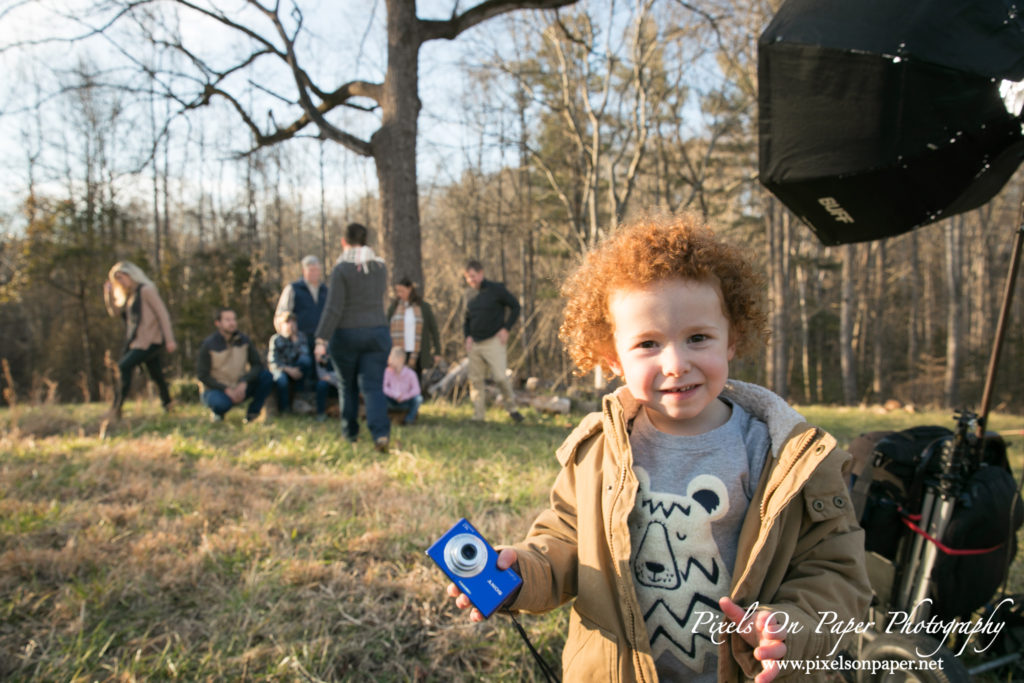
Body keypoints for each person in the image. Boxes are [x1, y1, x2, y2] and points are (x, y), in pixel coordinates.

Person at [446, 214, 871, 682]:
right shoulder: (599, 451)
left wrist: (795, 628)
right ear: (612, 357)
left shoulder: (784, 455)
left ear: (732, 339)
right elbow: (566, 544)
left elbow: (836, 569)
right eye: (648, 343)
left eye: (698, 338)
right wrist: (520, 575)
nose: (675, 363)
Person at [314, 223, 391, 452]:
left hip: (346, 334)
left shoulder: (341, 269)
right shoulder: (380, 267)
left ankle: (350, 435)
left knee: (347, 386)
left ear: (343, 242)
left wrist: (321, 339)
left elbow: (334, 308)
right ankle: (380, 434)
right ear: (366, 241)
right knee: (373, 387)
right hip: (377, 332)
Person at [103, 261, 177, 419]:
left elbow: (162, 314)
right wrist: (108, 294)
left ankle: (117, 407)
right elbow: (114, 312)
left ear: (130, 275)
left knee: (124, 366)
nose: (120, 282)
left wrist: (169, 339)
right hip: (137, 342)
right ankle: (168, 404)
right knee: (156, 374)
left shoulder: (146, 290)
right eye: (117, 280)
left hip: (150, 341)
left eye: (121, 278)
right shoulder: (131, 295)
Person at [462, 260, 524, 423]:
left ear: (481, 273)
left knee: (500, 378)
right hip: (474, 343)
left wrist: (506, 328)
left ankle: (512, 410)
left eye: (473, 276)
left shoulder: (497, 290)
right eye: (468, 277)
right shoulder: (469, 295)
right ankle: (478, 416)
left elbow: (515, 307)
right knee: (475, 380)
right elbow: (467, 319)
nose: (471, 280)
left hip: (493, 341)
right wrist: (467, 336)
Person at [197, 307, 273, 423]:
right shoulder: (208, 345)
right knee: (220, 404)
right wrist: (226, 389)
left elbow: (257, 365)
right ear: (218, 323)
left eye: (233, 319)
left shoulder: (244, 341)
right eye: (227, 320)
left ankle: (252, 414)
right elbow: (202, 375)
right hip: (216, 390)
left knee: (266, 376)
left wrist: (244, 382)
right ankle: (218, 413)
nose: (232, 323)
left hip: (239, 386)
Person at [267, 311, 328, 419]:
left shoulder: (301, 336)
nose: (291, 325)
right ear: (281, 325)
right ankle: (284, 409)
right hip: (282, 370)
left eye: (293, 322)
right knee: (282, 380)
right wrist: (289, 370)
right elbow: (273, 362)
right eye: (288, 323)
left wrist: (295, 341)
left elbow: (304, 355)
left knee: (306, 361)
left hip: (298, 369)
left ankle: (300, 399)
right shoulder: (276, 339)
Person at [386, 277, 442, 390]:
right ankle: (399, 406)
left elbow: (434, 330)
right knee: (398, 382)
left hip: (417, 352)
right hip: (399, 351)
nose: (399, 294)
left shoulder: (424, 308)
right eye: (397, 291)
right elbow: (386, 328)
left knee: (415, 383)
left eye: (402, 291)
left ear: (410, 289)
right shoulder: (394, 308)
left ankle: (414, 405)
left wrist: (437, 351)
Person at [276, 254, 327, 360]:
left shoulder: (325, 290)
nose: (315, 273)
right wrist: (287, 335)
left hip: (322, 339)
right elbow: (281, 315)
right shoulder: (293, 289)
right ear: (304, 271)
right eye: (311, 270)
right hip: (300, 341)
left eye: (317, 270)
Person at [383, 346, 423, 425]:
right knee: (379, 395)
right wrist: (395, 395)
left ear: (400, 359)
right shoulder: (387, 372)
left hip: (405, 402)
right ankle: (384, 418)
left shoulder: (411, 373)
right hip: (391, 401)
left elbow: (417, 390)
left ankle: (409, 420)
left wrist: (405, 396)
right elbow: (383, 387)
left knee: (418, 398)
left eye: (392, 358)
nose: (389, 361)